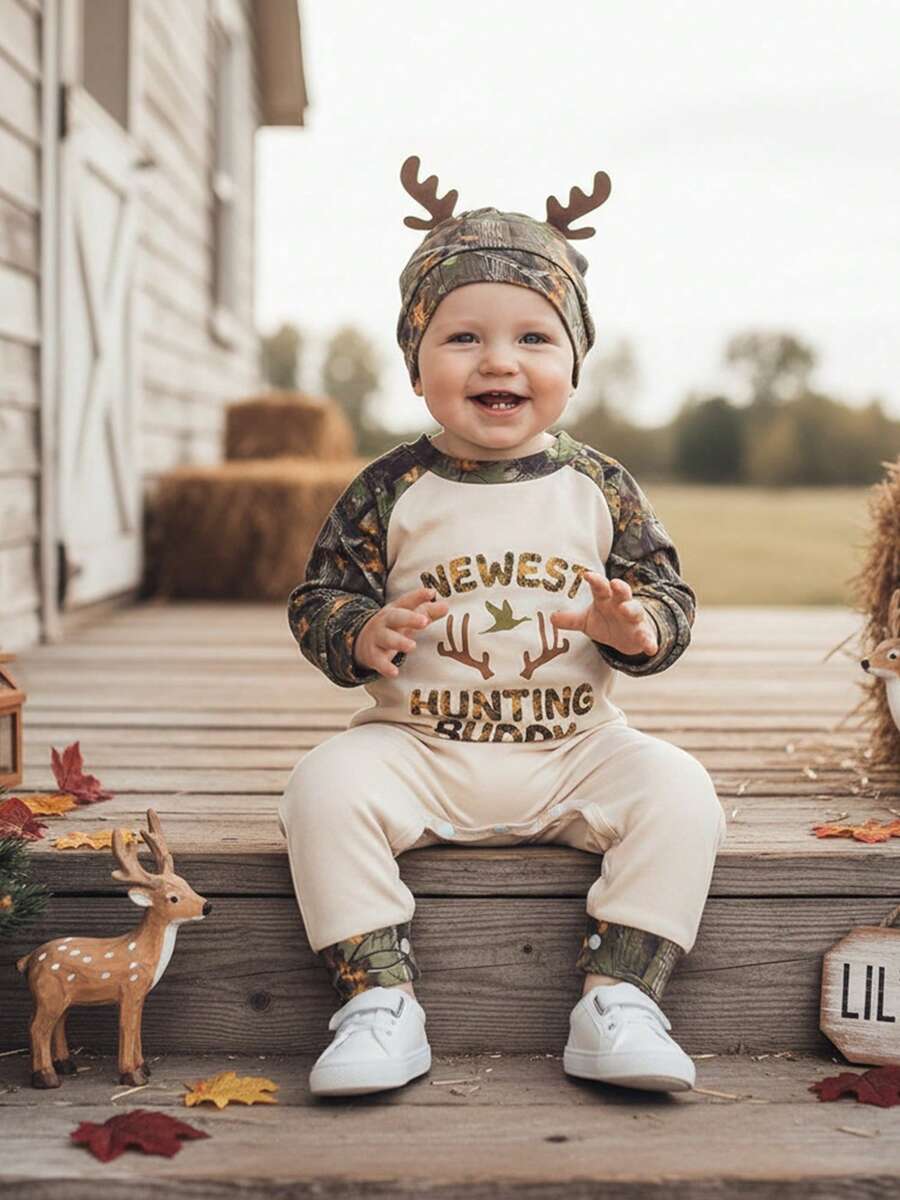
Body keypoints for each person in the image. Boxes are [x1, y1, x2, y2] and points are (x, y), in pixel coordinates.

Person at [278, 156, 726, 1099]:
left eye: (533, 336)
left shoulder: (599, 485)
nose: (498, 360)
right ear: (416, 365)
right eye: (462, 337)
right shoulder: (390, 488)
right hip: (418, 747)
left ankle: (620, 999)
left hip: (575, 751)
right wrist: (358, 633)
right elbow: (319, 596)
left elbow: (668, 598)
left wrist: (634, 626)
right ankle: (378, 1000)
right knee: (321, 787)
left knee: (681, 790)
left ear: (572, 363)